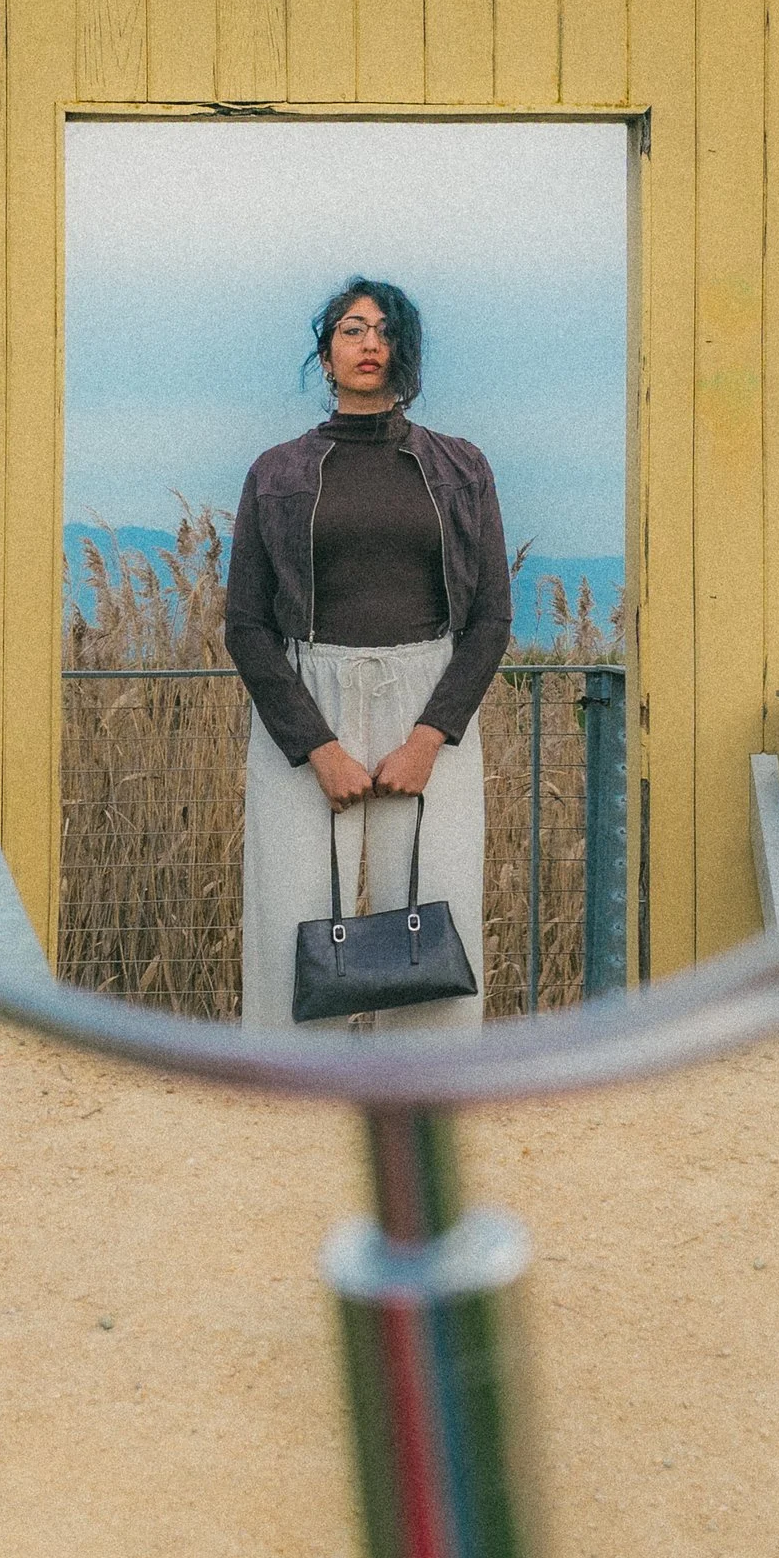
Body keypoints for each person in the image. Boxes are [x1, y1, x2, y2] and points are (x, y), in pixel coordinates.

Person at [225, 279, 511, 1032]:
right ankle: (293, 1093)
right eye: (352, 330)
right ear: (326, 353)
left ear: (404, 352)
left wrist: (428, 738)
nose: (369, 344)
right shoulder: (276, 472)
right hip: (307, 699)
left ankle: (423, 1095)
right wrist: (317, 747)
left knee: (432, 906)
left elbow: (489, 620)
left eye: (385, 331)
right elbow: (247, 626)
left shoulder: (461, 466)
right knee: (291, 910)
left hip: (427, 697)